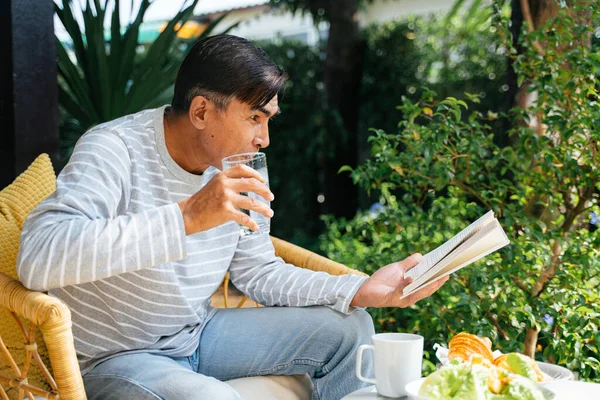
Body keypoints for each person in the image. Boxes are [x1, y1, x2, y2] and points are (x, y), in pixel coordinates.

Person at [16, 34, 447, 400]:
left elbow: (259, 272)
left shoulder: (240, 161)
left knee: (351, 329)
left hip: (198, 332)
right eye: (255, 119)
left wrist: (359, 288)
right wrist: (186, 216)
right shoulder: (114, 148)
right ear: (202, 111)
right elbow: (38, 257)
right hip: (116, 357)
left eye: (269, 119)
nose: (265, 138)